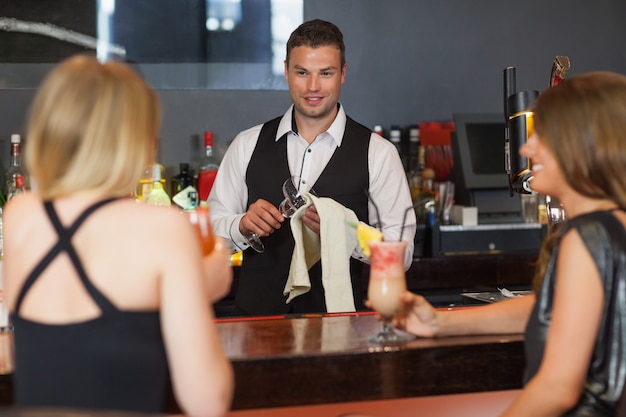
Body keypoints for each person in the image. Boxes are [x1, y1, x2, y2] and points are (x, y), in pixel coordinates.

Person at [3, 54, 234, 417]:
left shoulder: (20, 215)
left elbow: (60, 349)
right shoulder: (162, 228)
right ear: (136, 140)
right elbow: (207, 401)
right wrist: (203, 289)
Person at [393, 72, 626, 416]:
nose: (526, 148)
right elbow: (552, 310)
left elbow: (558, 388)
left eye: (541, 136)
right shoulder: (616, 224)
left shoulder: (584, 237)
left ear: (582, 144)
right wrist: (441, 324)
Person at [208, 19, 416, 316]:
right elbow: (210, 237)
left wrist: (346, 231)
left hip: (342, 329)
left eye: (326, 73)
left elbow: (402, 253)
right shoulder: (247, 144)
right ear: (286, 72)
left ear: (342, 73)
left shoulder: (379, 154)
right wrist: (240, 226)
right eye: (302, 72)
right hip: (257, 324)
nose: (313, 86)